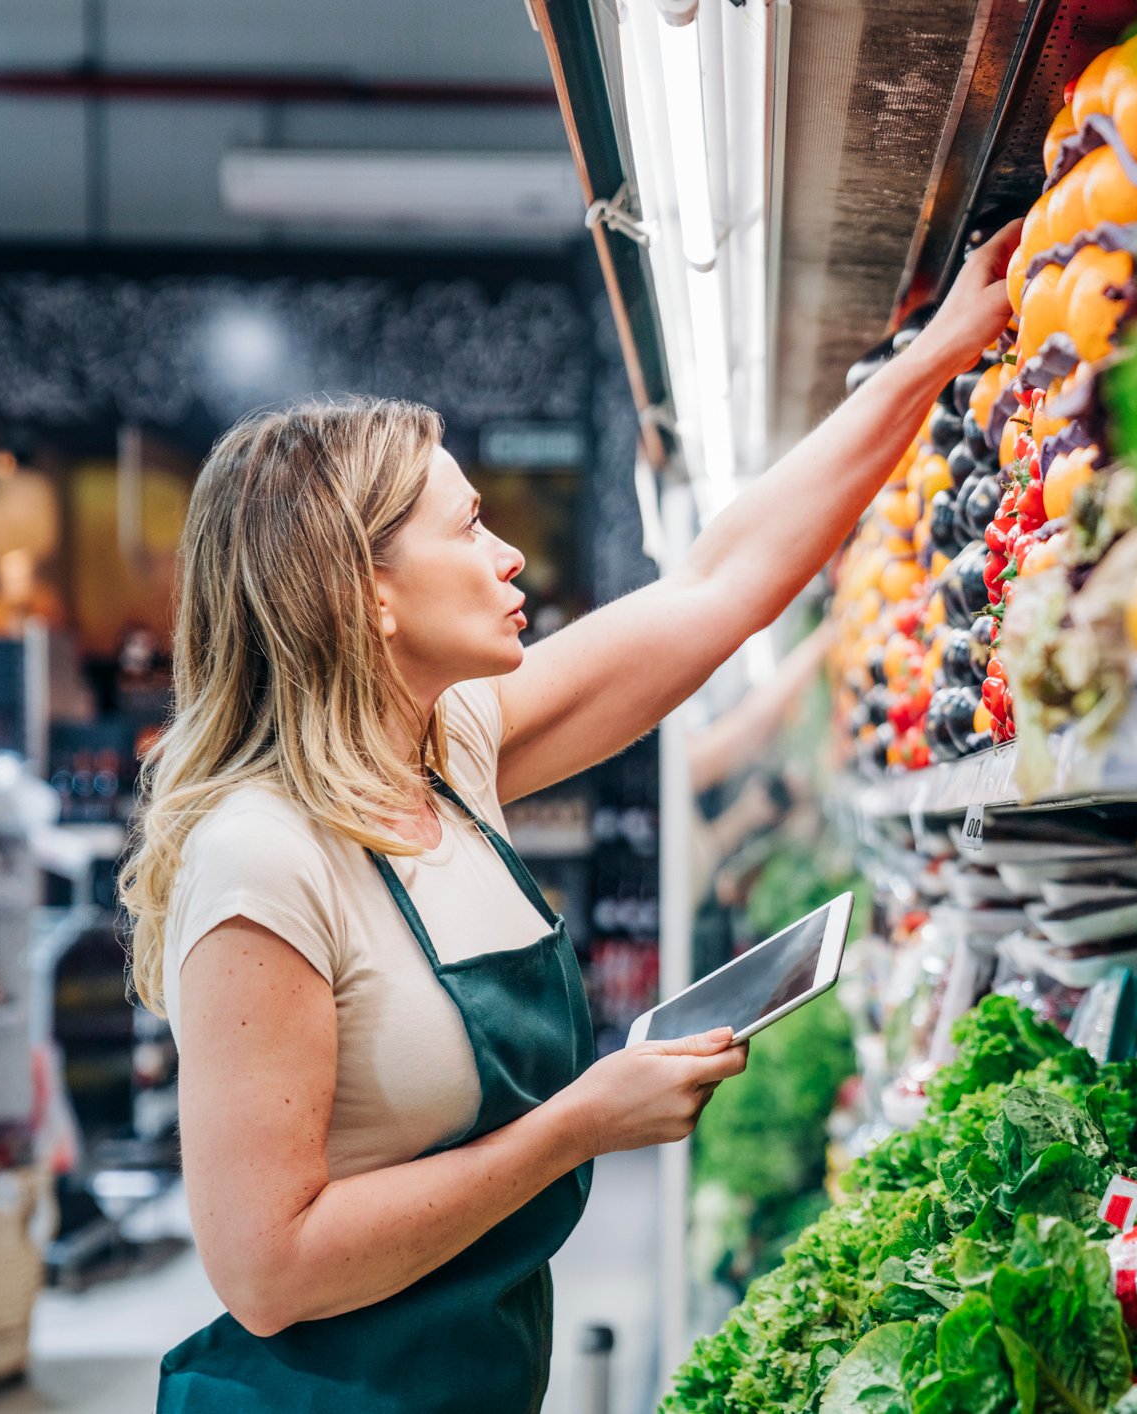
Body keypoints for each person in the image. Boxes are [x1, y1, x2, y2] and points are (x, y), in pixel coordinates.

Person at [118, 222, 1021, 1412]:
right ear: (366, 592)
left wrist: (937, 354)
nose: (508, 557)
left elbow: (717, 587)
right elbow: (269, 1268)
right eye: (467, 527)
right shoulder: (263, 859)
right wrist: (576, 1124)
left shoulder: (449, 753)